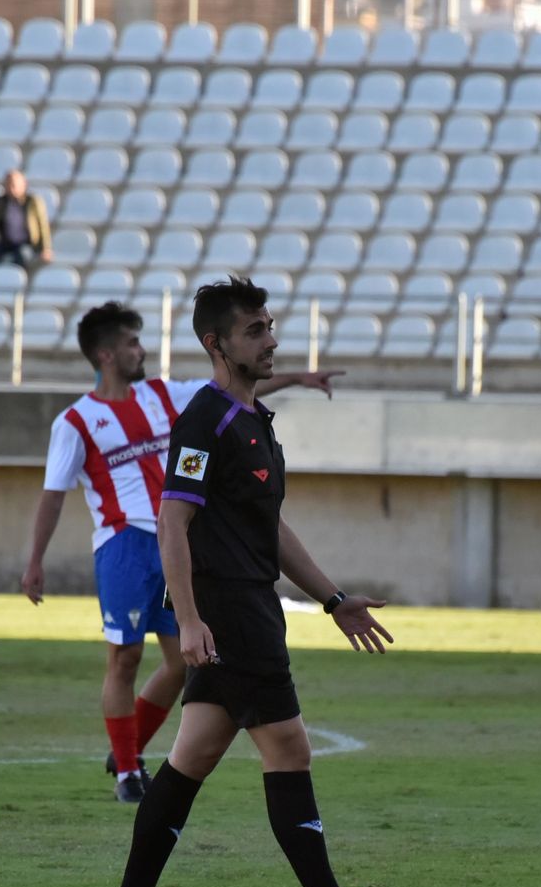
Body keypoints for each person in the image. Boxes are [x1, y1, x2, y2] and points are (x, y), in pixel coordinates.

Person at [100, 276, 420, 887]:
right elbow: (172, 525)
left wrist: (334, 600)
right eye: (255, 330)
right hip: (231, 613)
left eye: (271, 325)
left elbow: (269, 530)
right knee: (289, 748)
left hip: (248, 608)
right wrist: (188, 620)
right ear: (217, 343)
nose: (271, 339)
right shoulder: (204, 421)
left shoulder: (251, 421)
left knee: (191, 759)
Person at [23, 301, 341, 804]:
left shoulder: (162, 396)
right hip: (123, 543)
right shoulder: (76, 422)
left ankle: (125, 751)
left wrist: (299, 379)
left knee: (181, 663)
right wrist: (35, 560)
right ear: (106, 354)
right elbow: (52, 492)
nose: (141, 350)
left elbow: (233, 391)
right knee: (124, 657)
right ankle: (128, 771)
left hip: (178, 545)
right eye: (131, 343)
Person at [0, 170, 53, 273]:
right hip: (6, 242)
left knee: (21, 256)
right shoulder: (1, 202)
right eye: (7, 185)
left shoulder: (32, 201)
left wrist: (46, 248)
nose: (10, 188)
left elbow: (43, 225)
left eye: (13, 185)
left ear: (23, 185)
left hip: (26, 243)